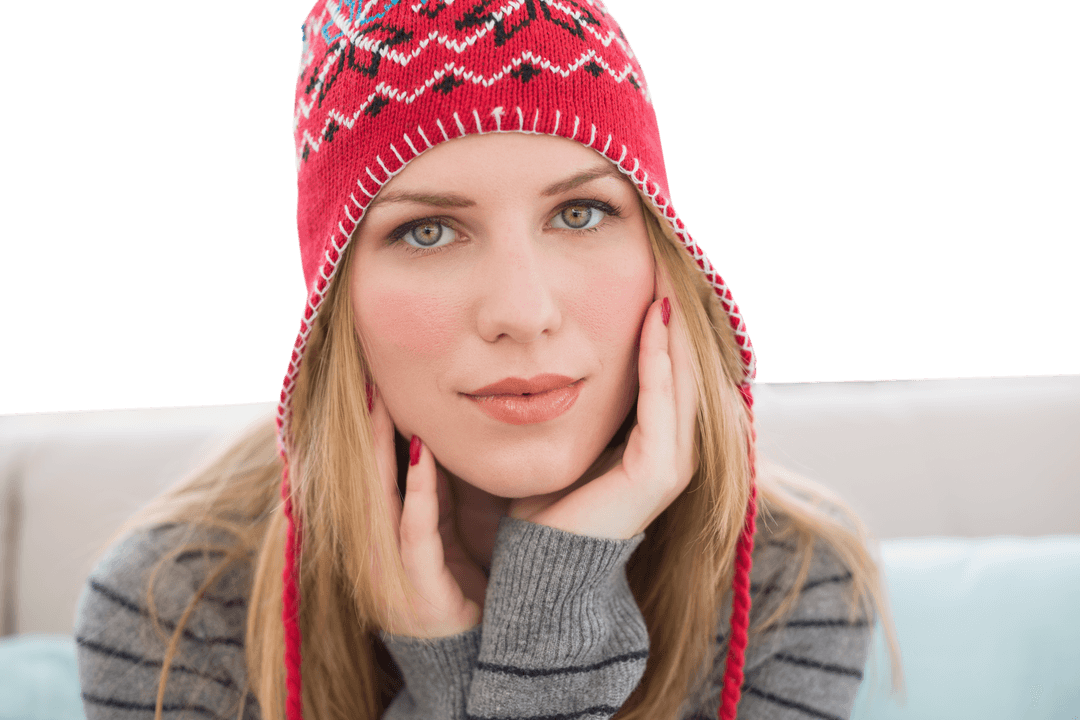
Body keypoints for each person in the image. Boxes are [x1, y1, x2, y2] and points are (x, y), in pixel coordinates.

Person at [74, 1, 904, 718]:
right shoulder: (175, 603)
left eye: (580, 212)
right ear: (333, 305)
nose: (522, 312)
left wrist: (547, 605)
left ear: (665, 257)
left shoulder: (789, 589)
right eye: (427, 231)